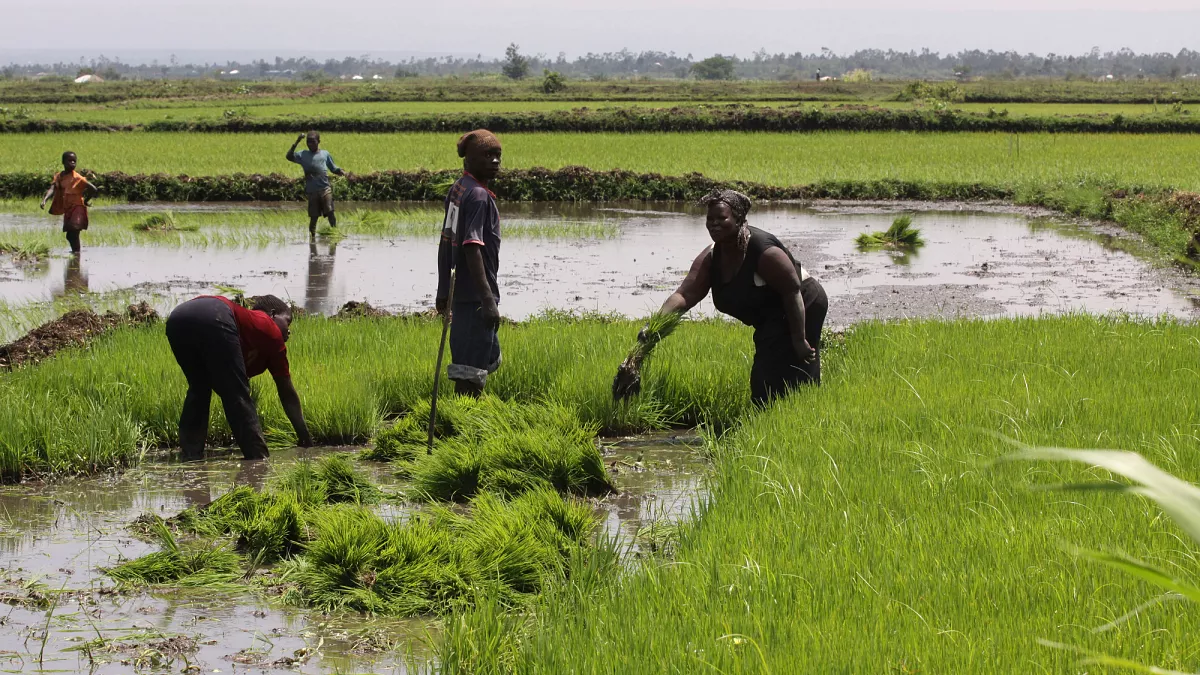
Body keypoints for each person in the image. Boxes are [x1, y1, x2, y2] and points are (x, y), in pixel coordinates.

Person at [642, 188, 828, 406]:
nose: (714, 224)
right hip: (772, 313)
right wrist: (654, 324)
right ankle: (777, 410)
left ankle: (797, 411)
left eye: (722, 218)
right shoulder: (712, 257)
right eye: (710, 219)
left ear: (739, 219)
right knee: (770, 364)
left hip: (804, 302)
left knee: (788, 368)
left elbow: (792, 291)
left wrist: (799, 339)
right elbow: (684, 295)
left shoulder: (762, 250)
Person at [164, 294, 312, 461]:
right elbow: (286, 391)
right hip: (216, 312)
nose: (289, 330)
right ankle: (258, 458)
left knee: (199, 387)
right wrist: (305, 436)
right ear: (272, 315)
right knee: (237, 393)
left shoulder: (247, 331)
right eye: (288, 321)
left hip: (177, 319)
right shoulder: (269, 327)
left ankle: (191, 456)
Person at [436, 129, 503, 396]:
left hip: (460, 293)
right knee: (472, 372)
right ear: (471, 159)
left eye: (498, 156)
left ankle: (468, 416)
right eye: (488, 155)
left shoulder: (459, 188)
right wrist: (487, 301)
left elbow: (445, 242)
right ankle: (467, 425)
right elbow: (470, 247)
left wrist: (444, 290)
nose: (495, 161)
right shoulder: (477, 196)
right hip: (475, 296)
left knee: (478, 359)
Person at [286, 131, 346, 237]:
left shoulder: (325, 154)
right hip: (312, 191)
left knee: (330, 211)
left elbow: (332, 168)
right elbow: (289, 156)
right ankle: (312, 238)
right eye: (308, 142)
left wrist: (340, 171)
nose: (310, 144)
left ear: (318, 142)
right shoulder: (302, 154)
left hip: (325, 188)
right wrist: (297, 141)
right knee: (314, 217)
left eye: (312, 142)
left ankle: (335, 232)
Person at [39, 151, 98, 255]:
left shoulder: (77, 177)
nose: (72, 163)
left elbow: (93, 189)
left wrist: (86, 201)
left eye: (74, 161)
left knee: (73, 233)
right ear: (63, 162)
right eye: (69, 161)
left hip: (77, 208)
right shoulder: (58, 176)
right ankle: (76, 254)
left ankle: (76, 255)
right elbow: (52, 189)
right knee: (69, 235)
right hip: (68, 209)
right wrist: (45, 200)